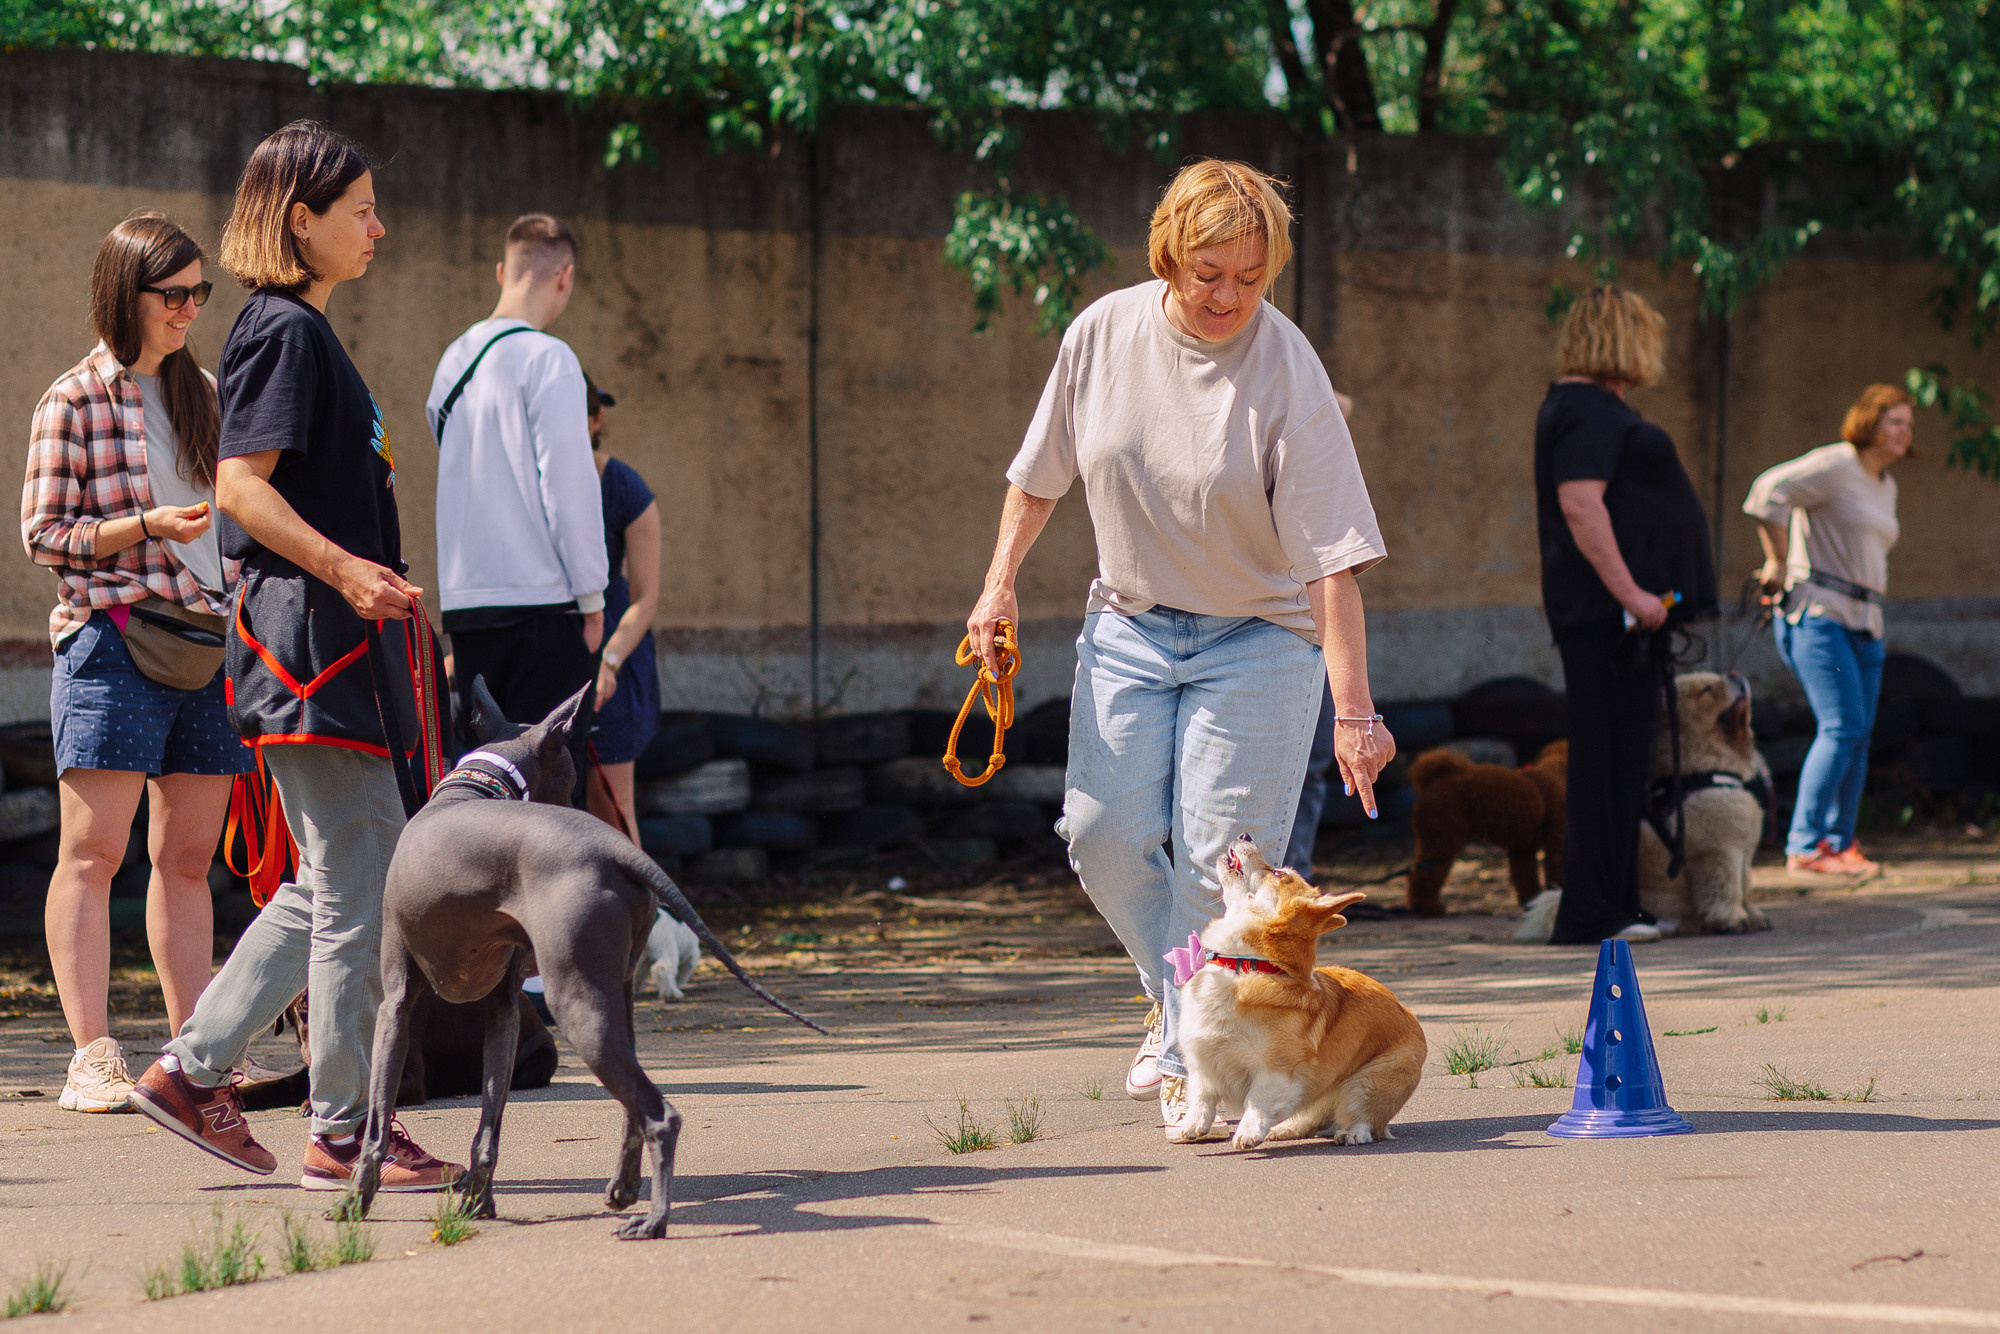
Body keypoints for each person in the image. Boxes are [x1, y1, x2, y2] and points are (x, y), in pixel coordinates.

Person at [964, 159, 1393, 1140]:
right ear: (1167, 253)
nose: (1226, 297)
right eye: (1207, 272)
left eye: (1248, 277)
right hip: (1128, 620)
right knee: (1099, 833)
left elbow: (1331, 560)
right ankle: (1175, 996)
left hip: (1259, 635)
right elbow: (1038, 475)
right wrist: (997, 584)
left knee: (1220, 863)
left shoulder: (1287, 368)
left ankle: (1183, 1042)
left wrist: (1355, 711)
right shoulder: (1102, 334)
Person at [127, 122, 458, 1191]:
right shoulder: (281, 329)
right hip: (311, 648)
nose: (378, 225)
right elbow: (238, 485)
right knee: (363, 871)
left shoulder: (306, 334)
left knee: (333, 876)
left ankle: (193, 1066)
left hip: (326, 649)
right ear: (298, 219)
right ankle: (344, 1124)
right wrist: (349, 569)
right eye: (359, 208)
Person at [22, 213, 252, 1113]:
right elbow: (43, 536)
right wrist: (145, 528)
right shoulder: (71, 400)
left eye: (201, 292)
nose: (193, 307)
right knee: (93, 853)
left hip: (206, 640)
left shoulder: (205, 390)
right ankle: (91, 1058)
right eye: (176, 293)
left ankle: (195, 1057)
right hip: (111, 637)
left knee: (190, 857)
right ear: (128, 293)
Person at [1533, 285, 1717, 946]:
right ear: (1622, 337)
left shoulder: (1590, 407)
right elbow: (1582, 504)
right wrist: (1633, 596)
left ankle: (1612, 904)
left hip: (1622, 622)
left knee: (1620, 762)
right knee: (1605, 763)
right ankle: (1591, 913)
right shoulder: (1584, 409)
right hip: (1609, 619)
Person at [428, 214, 607, 801]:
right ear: (565, 278)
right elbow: (569, 487)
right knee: (551, 793)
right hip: (543, 606)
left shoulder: (451, 361)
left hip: (469, 607)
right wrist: (592, 597)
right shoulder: (550, 358)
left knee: (485, 786)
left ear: (503, 271)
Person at [1743, 385, 1910, 876]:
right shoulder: (1837, 464)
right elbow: (1767, 493)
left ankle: (1839, 843)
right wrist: (1777, 560)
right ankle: (1805, 845)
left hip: (1867, 620)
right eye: (1896, 421)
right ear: (1871, 424)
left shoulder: (1885, 485)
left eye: (1909, 425)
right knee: (1841, 727)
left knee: (1859, 734)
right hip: (1821, 614)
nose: (1905, 432)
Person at [581, 377, 661, 841]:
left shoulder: (624, 486)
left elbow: (647, 597)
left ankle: (634, 911)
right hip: (550, 648)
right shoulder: (524, 487)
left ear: (597, 420)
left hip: (612, 648)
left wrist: (609, 661)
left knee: (610, 806)